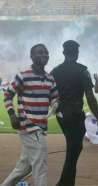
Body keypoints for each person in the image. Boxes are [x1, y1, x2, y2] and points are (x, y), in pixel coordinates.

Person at [2, 44, 58, 186]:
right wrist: (12, 114)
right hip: (29, 127)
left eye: (46, 53)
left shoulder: (50, 78)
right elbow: (8, 94)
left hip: (40, 127)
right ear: (32, 56)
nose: (44, 55)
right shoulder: (23, 75)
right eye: (40, 53)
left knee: (23, 168)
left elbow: (54, 99)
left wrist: (57, 104)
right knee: (40, 167)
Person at [51, 40, 98, 186]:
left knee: (73, 147)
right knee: (74, 149)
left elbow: (49, 92)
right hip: (75, 114)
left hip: (61, 115)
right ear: (77, 53)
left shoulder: (55, 71)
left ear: (63, 52)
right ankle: (64, 183)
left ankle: (66, 182)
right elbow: (90, 97)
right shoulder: (82, 70)